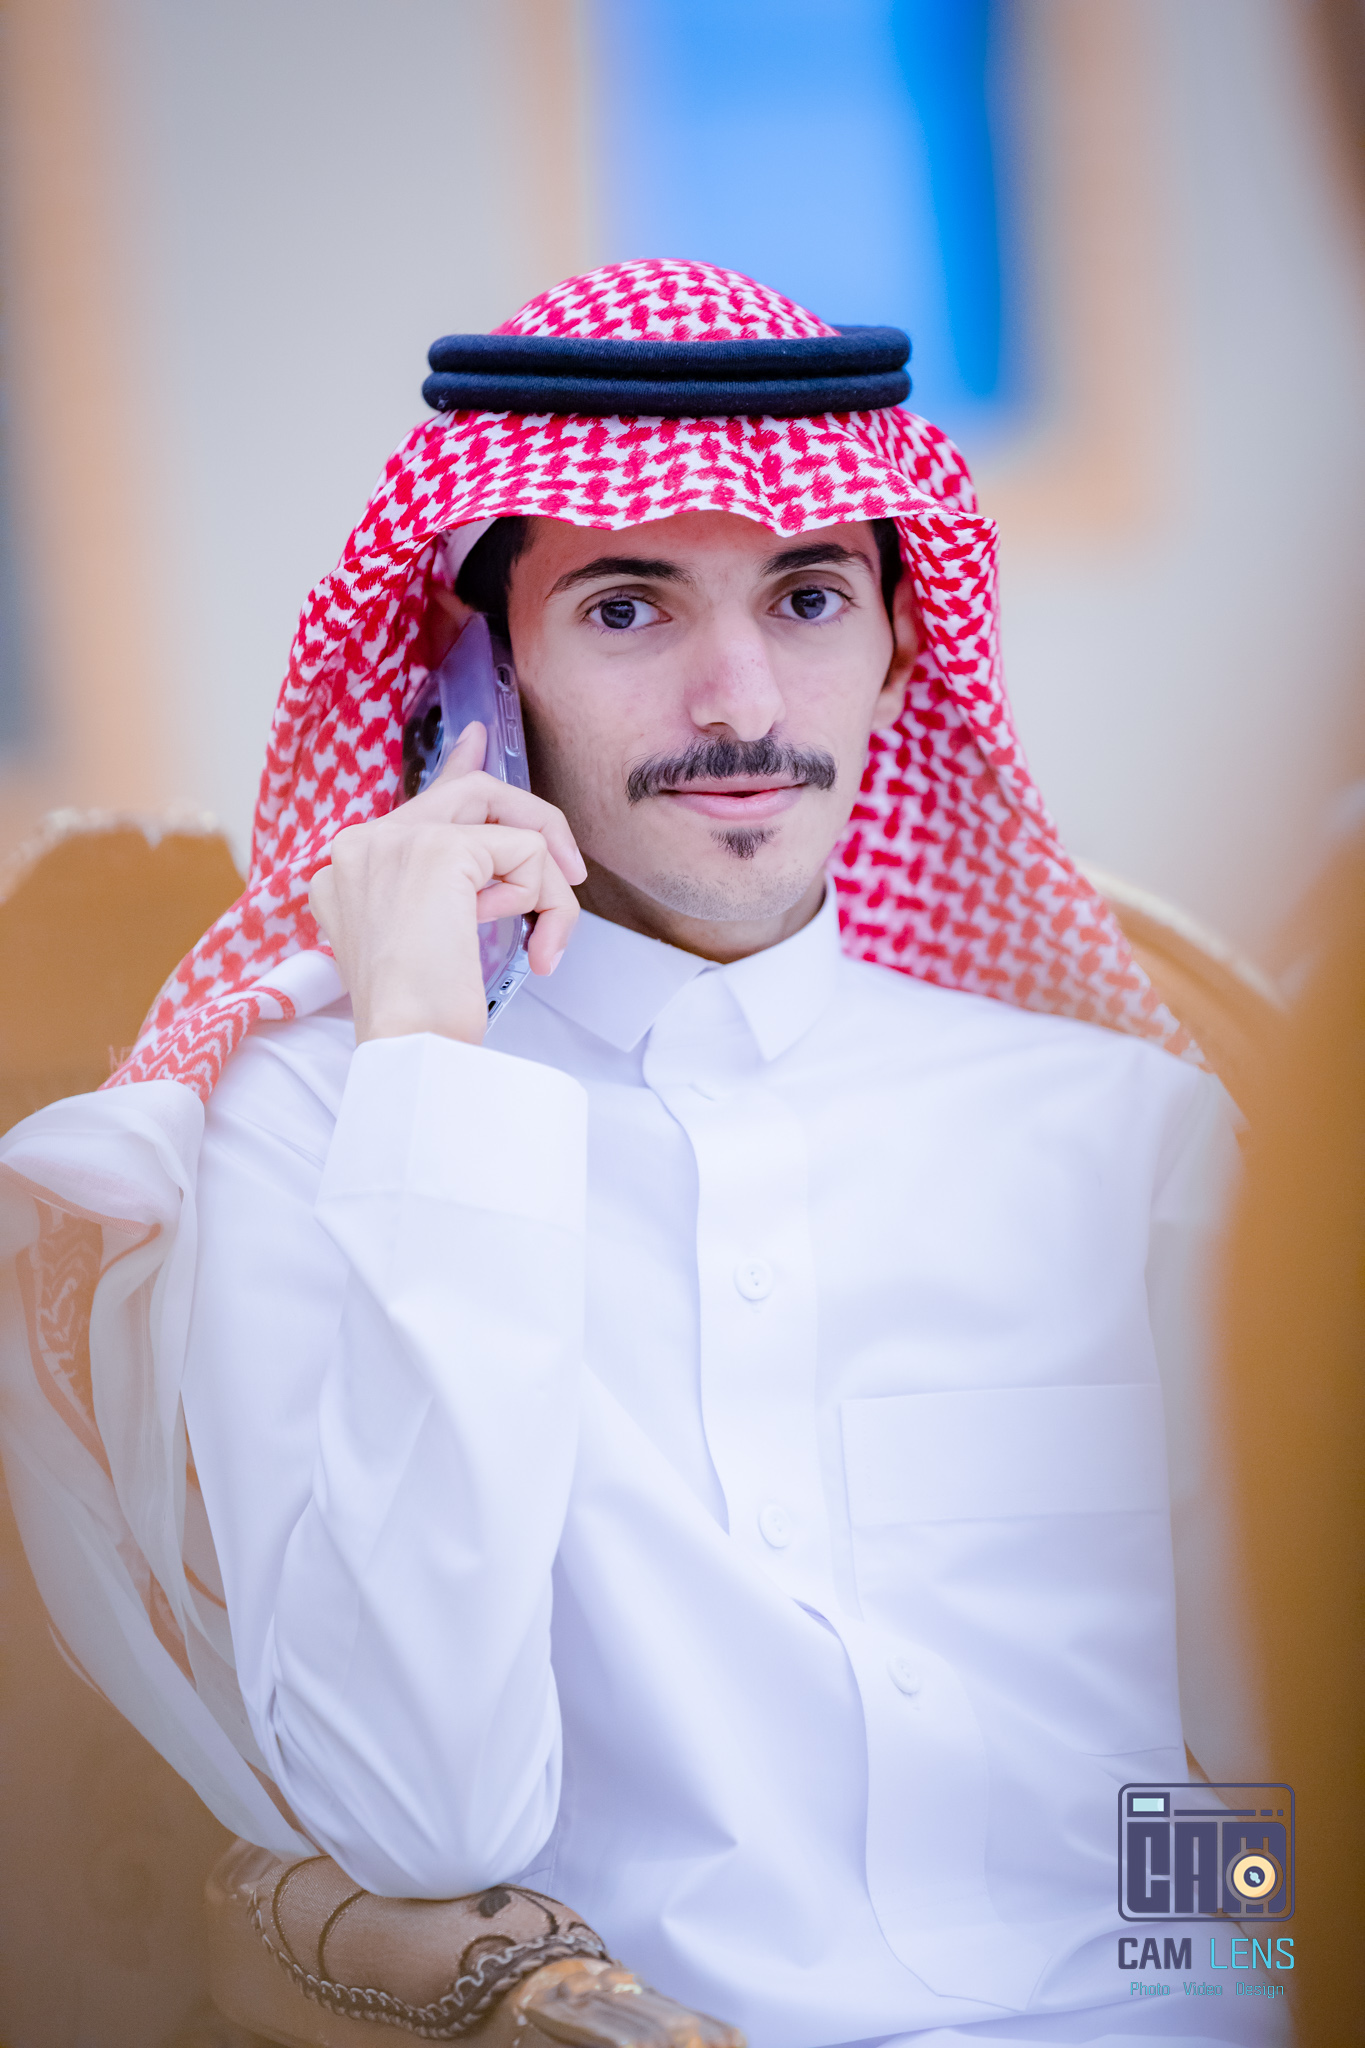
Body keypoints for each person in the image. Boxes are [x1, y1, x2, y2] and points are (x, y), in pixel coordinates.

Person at [0, 261, 1284, 2047]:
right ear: (479, 664)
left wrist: (1229, 1995)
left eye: (809, 596)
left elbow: (1248, 1745)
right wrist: (428, 1063)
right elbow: (425, 1818)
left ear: (901, 648)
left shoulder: (1121, 1135)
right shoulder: (311, 1128)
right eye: (626, 607)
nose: (737, 700)